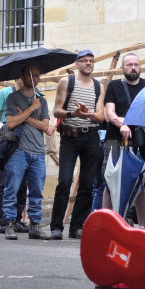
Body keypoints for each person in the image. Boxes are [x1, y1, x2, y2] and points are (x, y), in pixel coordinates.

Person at [50, 50, 104, 240]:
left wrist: (88, 114)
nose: (88, 63)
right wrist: (73, 114)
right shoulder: (67, 82)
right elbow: (57, 111)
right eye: (84, 61)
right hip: (70, 137)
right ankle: (56, 227)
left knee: (87, 184)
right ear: (77, 64)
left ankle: (77, 227)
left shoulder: (98, 86)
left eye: (91, 61)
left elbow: (100, 116)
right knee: (64, 181)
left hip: (91, 136)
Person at [101, 52, 145, 222]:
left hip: (140, 140)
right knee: (110, 181)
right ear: (122, 68)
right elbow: (110, 112)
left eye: (136, 64)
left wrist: (131, 121)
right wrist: (121, 123)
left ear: (140, 67)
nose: (133, 68)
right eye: (129, 65)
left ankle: (142, 226)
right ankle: (107, 223)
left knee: (139, 182)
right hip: (115, 139)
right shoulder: (114, 85)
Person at [2, 64, 50, 241]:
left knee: (37, 191)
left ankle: (35, 225)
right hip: (18, 150)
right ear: (22, 77)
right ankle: (9, 224)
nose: (34, 78)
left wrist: (26, 116)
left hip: (38, 151)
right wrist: (31, 108)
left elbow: (45, 126)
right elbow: (11, 123)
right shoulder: (13, 98)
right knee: (12, 189)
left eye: (37, 75)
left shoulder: (42, 101)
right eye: (31, 75)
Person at [0, 79, 28, 234]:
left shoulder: (32, 94)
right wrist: (0, 137)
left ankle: (16, 219)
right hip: (9, 142)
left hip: (25, 143)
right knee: (5, 182)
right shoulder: (5, 93)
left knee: (23, 183)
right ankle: (1, 219)